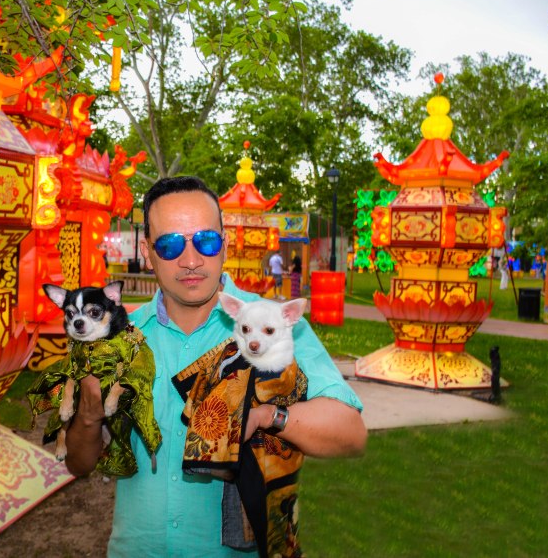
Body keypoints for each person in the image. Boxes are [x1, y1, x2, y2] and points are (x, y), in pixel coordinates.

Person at [64, 176, 366, 557]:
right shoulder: (118, 340)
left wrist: (266, 416)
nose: (191, 261)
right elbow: (79, 464)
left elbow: (351, 432)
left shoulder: (272, 326)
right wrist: (89, 418)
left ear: (224, 244)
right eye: (171, 245)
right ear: (148, 250)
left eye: (205, 241)